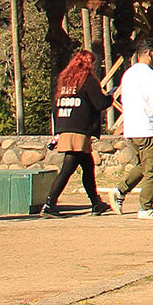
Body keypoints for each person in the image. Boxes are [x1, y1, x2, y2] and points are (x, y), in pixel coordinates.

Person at [40, 50, 114, 218]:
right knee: (68, 168)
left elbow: (55, 107)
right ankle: (49, 204)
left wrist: (57, 131)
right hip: (79, 131)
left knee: (88, 167)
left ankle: (96, 203)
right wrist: (111, 96)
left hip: (65, 127)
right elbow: (100, 103)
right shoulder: (87, 80)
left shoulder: (65, 81)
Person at [110, 37, 153, 220]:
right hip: (147, 128)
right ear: (148, 53)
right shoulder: (151, 75)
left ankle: (120, 191)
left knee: (142, 165)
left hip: (132, 128)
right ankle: (145, 207)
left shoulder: (128, 74)